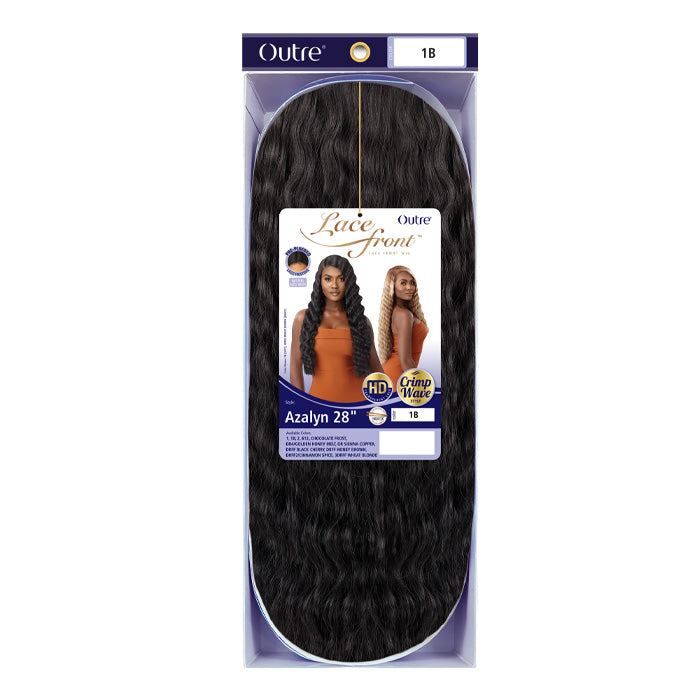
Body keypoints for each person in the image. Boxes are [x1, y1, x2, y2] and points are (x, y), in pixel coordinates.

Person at [290, 255, 383, 403]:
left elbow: (376, 369)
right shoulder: (303, 318)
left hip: (358, 405)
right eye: (328, 279)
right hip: (318, 408)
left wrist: (384, 405)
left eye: (341, 279)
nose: (334, 285)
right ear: (320, 282)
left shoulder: (361, 322)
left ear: (349, 282)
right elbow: (295, 367)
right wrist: (300, 405)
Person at [377, 266, 429, 389]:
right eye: (403, 283)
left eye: (412, 283)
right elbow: (405, 360)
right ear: (392, 287)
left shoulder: (398, 312)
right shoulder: (404, 315)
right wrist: (417, 387)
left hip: (394, 374)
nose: (409, 287)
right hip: (399, 376)